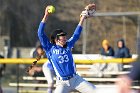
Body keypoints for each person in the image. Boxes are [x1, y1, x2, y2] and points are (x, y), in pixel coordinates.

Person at [37, 4, 96, 93]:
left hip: (75, 79)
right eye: (62, 37)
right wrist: (46, 15)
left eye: (64, 36)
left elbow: (76, 34)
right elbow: (40, 33)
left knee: (95, 91)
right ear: (56, 39)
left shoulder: (68, 44)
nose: (65, 38)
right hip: (62, 83)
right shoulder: (50, 48)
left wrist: (82, 19)